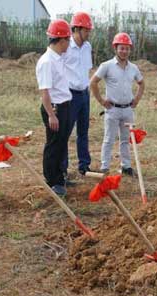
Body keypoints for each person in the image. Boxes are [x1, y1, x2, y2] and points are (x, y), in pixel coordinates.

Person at [90, 32, 144, 176]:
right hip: (112, 109)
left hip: (127, 109)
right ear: (116, 48)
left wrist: (136, 99)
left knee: (126, 140)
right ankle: (105, 167)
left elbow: (141, 83)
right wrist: (101, 101)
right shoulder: (106, 66)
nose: (124, 51)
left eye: (127, 48)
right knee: (109, 139)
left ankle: (126, 166)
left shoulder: (133, 68)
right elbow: (93, 82)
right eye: (121, 48)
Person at [35, 19, 72, 197]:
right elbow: (45, 92)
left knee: (61, 143)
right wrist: (51, 115)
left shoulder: (59, 58)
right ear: (61, 40)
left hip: (64, 105)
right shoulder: (47, 62)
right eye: (68, 39)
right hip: (54, 108)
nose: (70, 43)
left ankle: (60, 176)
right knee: (54, 144)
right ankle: (52, 181)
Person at [62, 11, 94, 181]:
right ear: (77, 29)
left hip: (84, 94)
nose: (89, 33)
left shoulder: (87, 47)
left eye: (89, 30)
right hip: (70, 95)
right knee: (65, 132)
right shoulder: (66, 47)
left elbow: (86, 70)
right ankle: (63, 168)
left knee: (83, 131)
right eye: (86, 30)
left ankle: (84, 165)